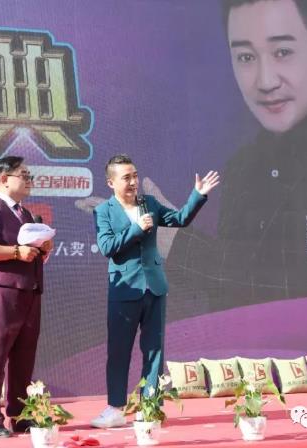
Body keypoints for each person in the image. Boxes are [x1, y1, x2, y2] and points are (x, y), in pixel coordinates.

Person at [162, 0, 307, 314]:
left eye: (282, 52)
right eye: (246, 57)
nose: (266, 81)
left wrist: (174, 243)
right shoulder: (242, 167)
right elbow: (231, 306)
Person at [90, 154, 219, 428]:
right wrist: (137, 229)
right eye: (126, 177)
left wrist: (197, 195)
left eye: (135, 176)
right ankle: (115, 408)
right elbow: (107, 247)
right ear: (111, 182)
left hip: (155, 287)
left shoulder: (148, 203)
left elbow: (180, 219)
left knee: (154, 351)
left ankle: (150, 407)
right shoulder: (103, 211)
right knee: (119, 351)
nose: (133, 182)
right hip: (124, 290)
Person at [0, 156, 53, 438]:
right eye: (24, 175)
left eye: (30, 176)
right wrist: (16, 252)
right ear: (4, 179)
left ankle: (20, 415)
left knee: (23, 357)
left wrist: (43, 250)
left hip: (29, 291)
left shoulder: (27, 214)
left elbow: (32, 255)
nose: (29, 181)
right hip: (0, 291)